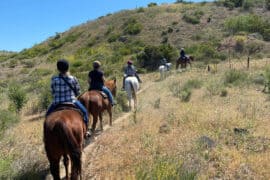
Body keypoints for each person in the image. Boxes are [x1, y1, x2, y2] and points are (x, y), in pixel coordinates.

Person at [46, 59, 89, 129]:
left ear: (58, 69)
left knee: (47, 117)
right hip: (72, 101)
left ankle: (46, 137)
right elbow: (78, 91)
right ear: (68, 67)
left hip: (57, 103)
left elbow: (52, 92)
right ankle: (86, 130)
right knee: (84, 112)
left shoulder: (54, 79)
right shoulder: (73, 78)